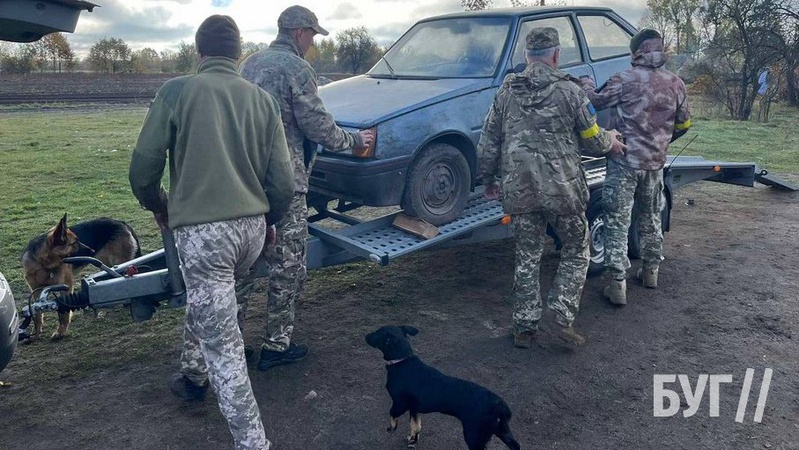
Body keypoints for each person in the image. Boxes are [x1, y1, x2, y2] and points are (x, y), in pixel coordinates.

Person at [129, 15, 294, 450]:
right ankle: (193, 372)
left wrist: (160, 206)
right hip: (251, 231)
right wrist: (269, 224)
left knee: (225, 347)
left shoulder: (177, 91)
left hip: (205, 238)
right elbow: (283, 183)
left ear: (199, 52)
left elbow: (142, 171)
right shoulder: (262, 100)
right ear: (238, 54)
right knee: (211, 298)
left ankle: (253, 443)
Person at [237, 5, 374, 370]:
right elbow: (317, 125)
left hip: (245, 183)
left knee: (244, 265)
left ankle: (233, 344)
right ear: (299, 32)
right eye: (312, 34)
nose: (313, 42)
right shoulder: (297, 69)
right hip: (286, 185)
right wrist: (353, 140)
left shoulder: (248, 65)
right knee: (288, 264)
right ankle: (276, 345)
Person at [478, 27, 625, 348]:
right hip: (563, 191)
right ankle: (561, 313)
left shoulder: (506, 92)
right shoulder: (571, 92)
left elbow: (488, 140)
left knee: (527, 256)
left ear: (526, 56)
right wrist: (611, 140)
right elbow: (594, 140)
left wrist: (488, 180)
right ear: (557, 55)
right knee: (577, 247)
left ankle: (524, 328)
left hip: (520, 190)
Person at [579, 29, 691, 306]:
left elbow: (595, 102)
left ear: (635, 52)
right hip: (655, 165)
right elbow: (684, 124)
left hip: (623, 163)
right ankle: (651, 272)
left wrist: (585, 84)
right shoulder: (676, 83)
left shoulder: (623, 80)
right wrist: (661, 143)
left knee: (617, 221)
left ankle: (618, 284)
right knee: (651, 218)